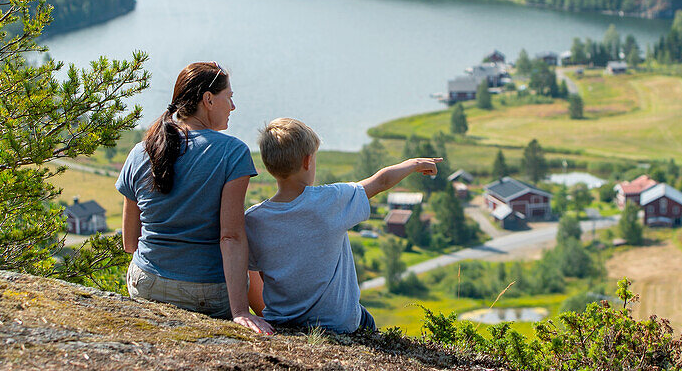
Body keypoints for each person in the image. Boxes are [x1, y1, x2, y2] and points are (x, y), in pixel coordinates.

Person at [116, 61, 272, 334]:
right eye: (230, 98)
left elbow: (130, 243)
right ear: (208, 100)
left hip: (147, 284)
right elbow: (231, 237)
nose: (233, 107)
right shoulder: (232, 152)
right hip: (208, 294)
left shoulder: (141, 151)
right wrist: (238, 312)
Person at [245, 117, 441, 333]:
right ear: (307, 161)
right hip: (339, 323)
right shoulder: (330, 200)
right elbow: (381, 181)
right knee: (366, 320)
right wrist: (413, 164)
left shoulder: (254, 219)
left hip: (282, 322)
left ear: (268, 163)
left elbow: (257, 275)